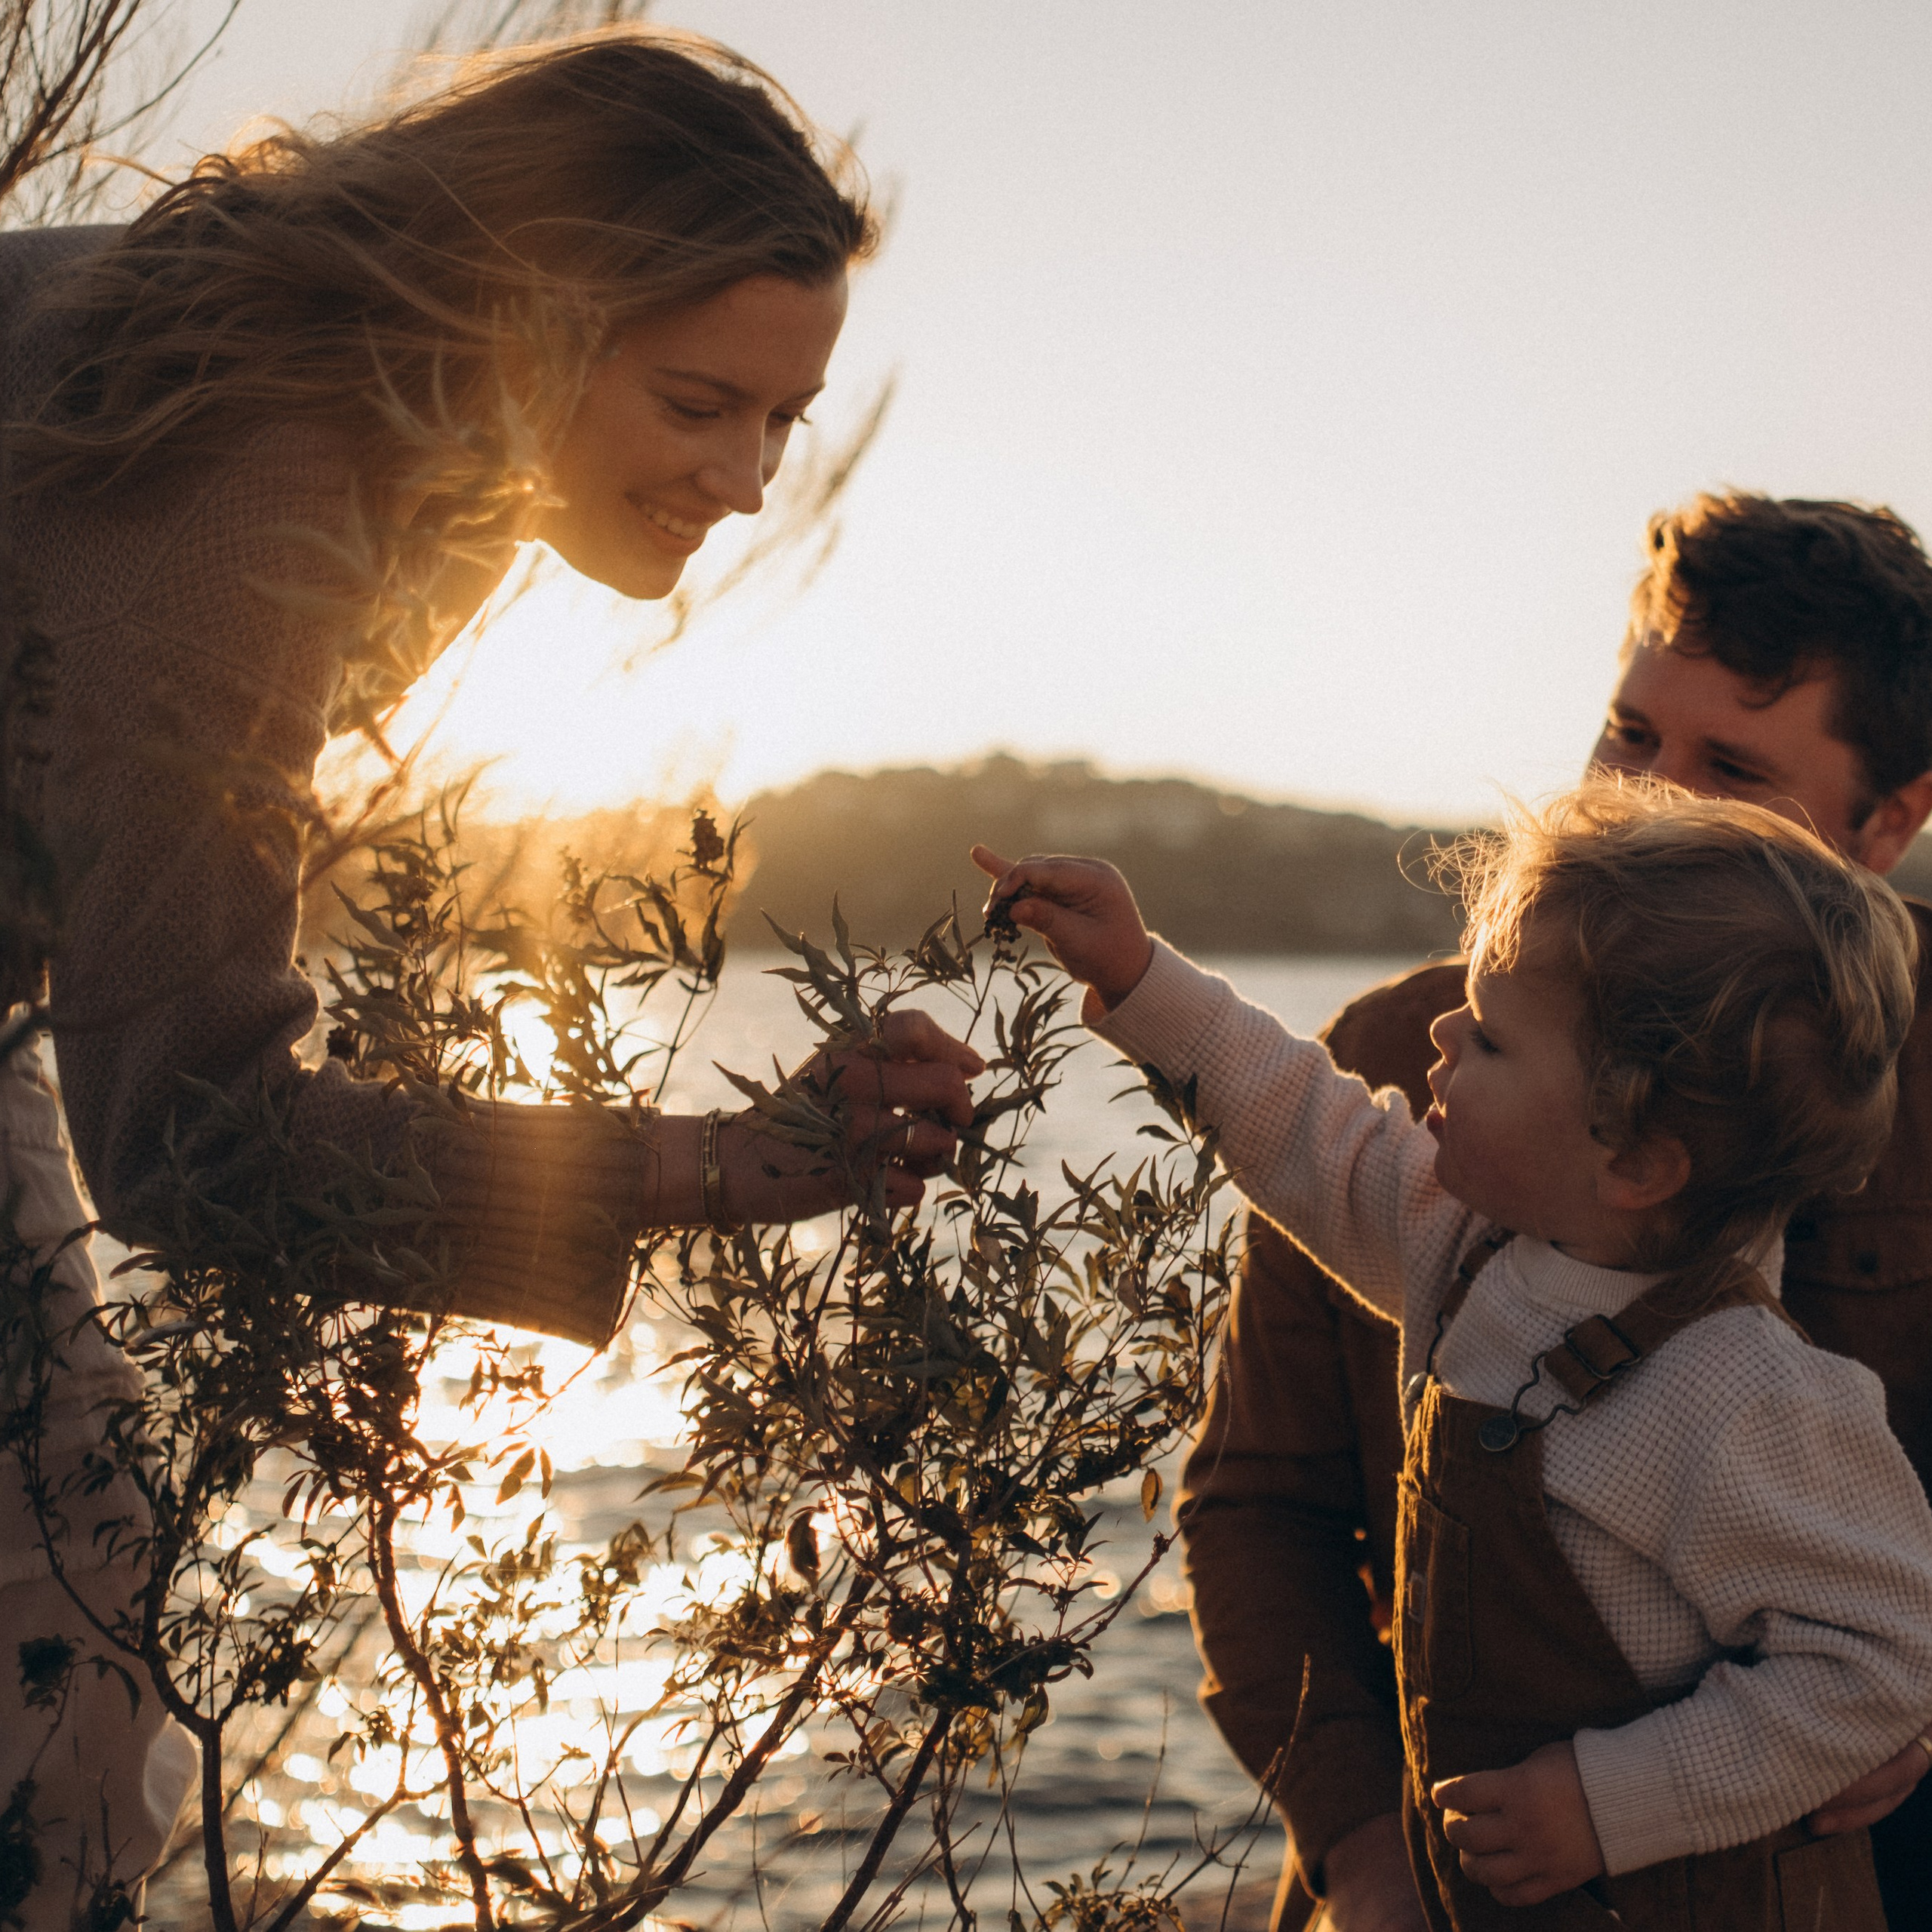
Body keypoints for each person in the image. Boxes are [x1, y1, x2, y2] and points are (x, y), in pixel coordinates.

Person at [0, 31, 981, 1925]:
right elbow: (188, 1121)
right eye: (701, 403)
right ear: (524, 320)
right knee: (64, 1637)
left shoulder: (378, 423)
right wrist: (707, 1164)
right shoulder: (251, 477)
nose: (748, 479)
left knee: (79, 1558)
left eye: (783, 420)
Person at [972, 783, 1932, 1929]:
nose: (1437, 1033)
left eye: (1487, 1036)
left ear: (1634, 1162)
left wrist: (1603, 1803)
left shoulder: (1741, 1390)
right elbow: (1300, 1128)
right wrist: (1138, 975)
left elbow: (1883, 1657)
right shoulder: (1465, 1243)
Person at [1180, 491, 1932, 1932]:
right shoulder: (1417, 1050)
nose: (1644, 799)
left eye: (1730, 766)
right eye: (1629, 736)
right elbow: (1258, 1504)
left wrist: (1890, 1695)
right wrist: (1365, 1854)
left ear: (1885, 824)